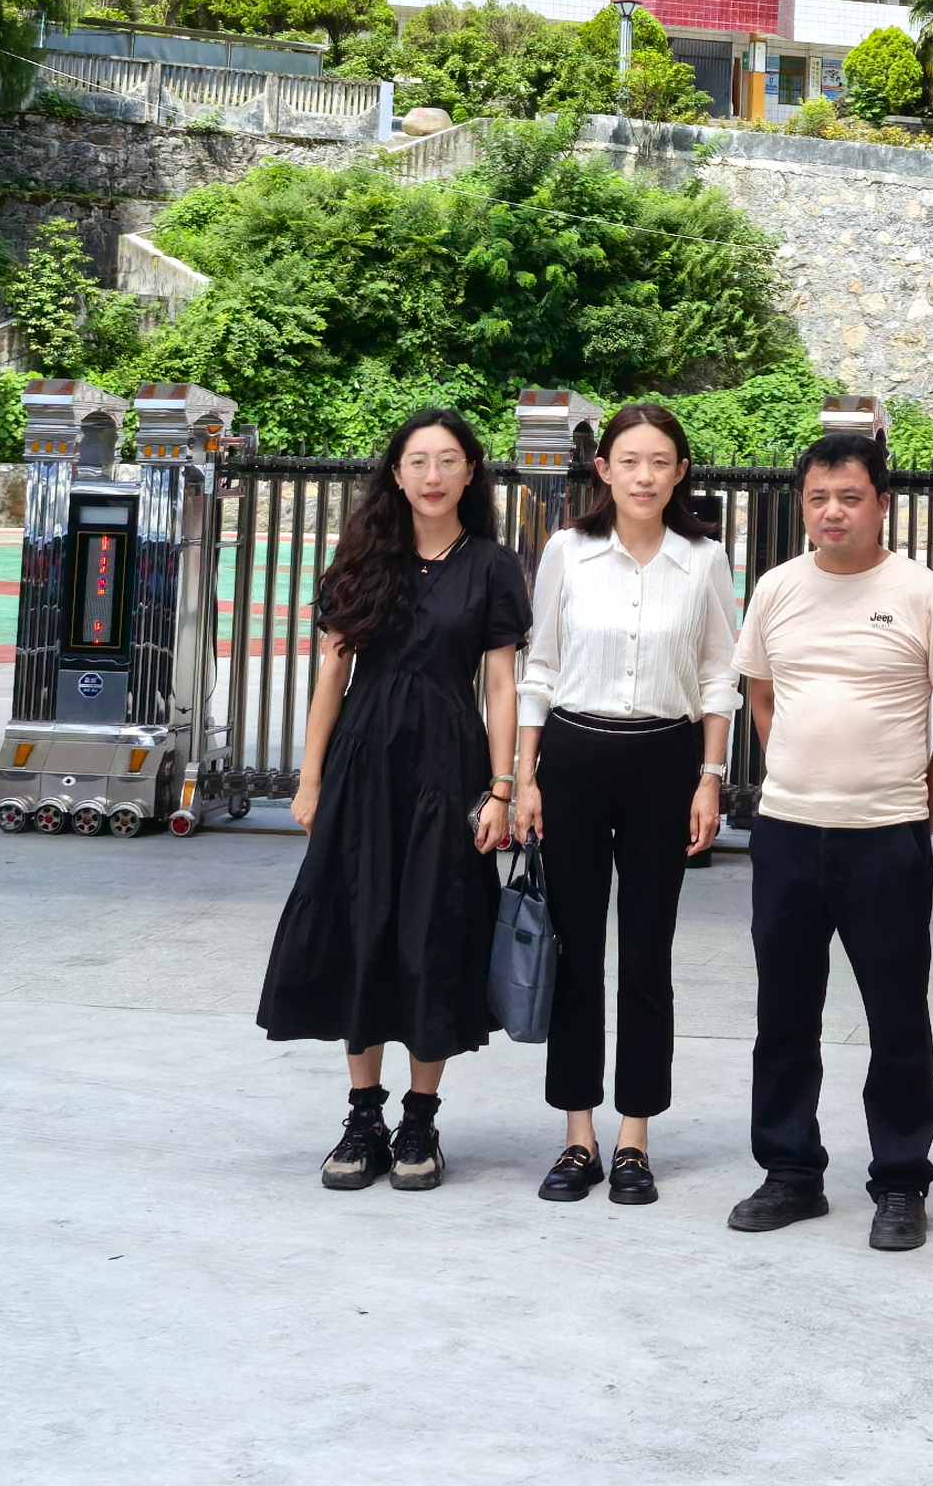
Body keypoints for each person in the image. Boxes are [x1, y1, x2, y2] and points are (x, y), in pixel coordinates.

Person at [254, 408, 530, 1193]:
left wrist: (502, 787)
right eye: (418, 461)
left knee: (433, 929)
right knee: (359, 923)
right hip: (362, 765)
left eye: (448, 461)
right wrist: (310, 779)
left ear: (470, 473)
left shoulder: (492, 566)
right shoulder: (363, 557)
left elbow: (502, 686)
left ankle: (420, 1117)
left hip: (449, 764)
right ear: (397, 473)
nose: (433, 475)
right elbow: (331, 677)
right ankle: (363, 1114)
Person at [725, 429, 933, 1250]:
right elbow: (761, 695)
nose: (833, 512)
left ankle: (900, 1182)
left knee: (897, 1015)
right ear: (803, 505)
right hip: (788, 832)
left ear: (882, 504)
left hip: (885, 837)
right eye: (819, 498)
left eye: (850, 497)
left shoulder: (923, 593)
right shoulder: (777, 588)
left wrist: (927, 800)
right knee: (784, 1012)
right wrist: (798, 772)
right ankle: (790, 1171)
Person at [509, 399, 742, 1207]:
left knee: (647, 952)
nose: (645, 476)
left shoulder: (703, 560)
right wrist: (527, 777)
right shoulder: (568, 552)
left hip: (664, 761)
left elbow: (719, 672)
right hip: (574, 755)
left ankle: (635, 1137)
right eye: (630, 461)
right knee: (575, 949)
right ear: (604, 469)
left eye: (660, 462)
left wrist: (710, 775)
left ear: (681, 473)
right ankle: (578, 1135)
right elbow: (540, 666)